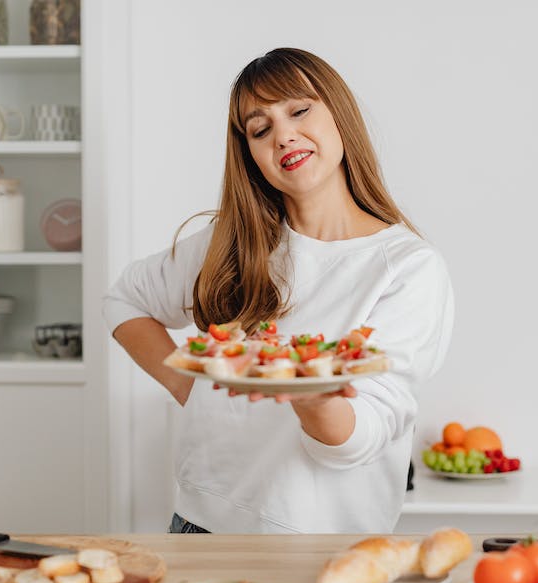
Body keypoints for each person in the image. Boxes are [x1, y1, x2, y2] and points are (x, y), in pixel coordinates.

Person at [103, 47, 453, 534]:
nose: (283, 134)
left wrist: (312, 398)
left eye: (299, 109)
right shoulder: (233, 242)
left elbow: (362, 439)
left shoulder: (406, 268)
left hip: (317, 545)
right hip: (198, 526)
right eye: (260, 128)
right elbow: (124, 299)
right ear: (250, 153)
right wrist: (188, 385)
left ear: (339, 113)